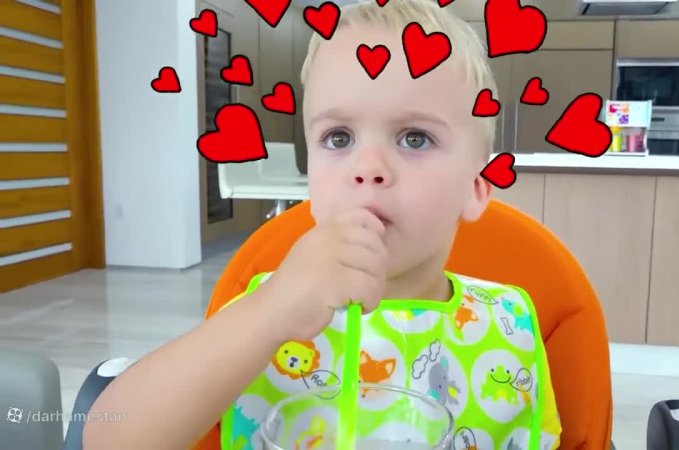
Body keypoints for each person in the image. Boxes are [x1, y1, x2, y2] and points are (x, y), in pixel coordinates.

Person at [84, 0, 561, 448]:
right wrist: (267, 313)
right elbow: (109, 437)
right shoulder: (266, 313)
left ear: (475, 187)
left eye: (415, 138)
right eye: (338, 138)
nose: (368, 166)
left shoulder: (508, 328)